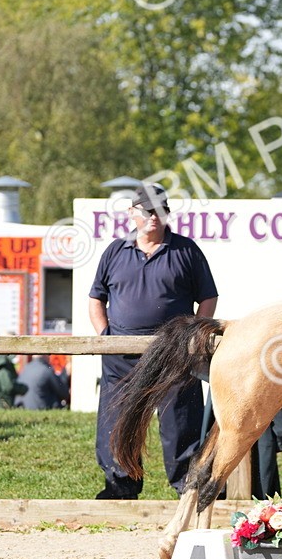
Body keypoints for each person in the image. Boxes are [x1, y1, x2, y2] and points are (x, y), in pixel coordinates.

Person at [89, 183, 218, 499]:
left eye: (160, 211)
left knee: (180, 422)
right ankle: (120, 488)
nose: (154, 217)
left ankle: (187, 490)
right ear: (132, 212)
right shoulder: (115, 251)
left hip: (174, 354)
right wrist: (106, 338)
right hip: (121, 357)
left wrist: (194, 336)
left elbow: (208, 297)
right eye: (147, 211)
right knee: (117, 421)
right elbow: (96, 298)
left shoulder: (186, 250)